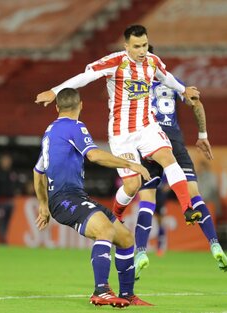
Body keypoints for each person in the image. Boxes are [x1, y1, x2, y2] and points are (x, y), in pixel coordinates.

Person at [35, 25, 203, 227]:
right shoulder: (114, 62)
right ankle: (117, 215)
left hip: (147, 126)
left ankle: (188, 209)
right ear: (126, 46)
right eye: (137, 46)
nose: (142, 51)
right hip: (121, 133)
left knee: (168, 157)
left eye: (145, 45)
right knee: (133, 185)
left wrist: (183, 90)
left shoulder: (152, 61)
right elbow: (85, 77)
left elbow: (165, 76)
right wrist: (55, 91)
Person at [34, 88, 152, 307]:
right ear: (81, 105)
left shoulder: (50, 132)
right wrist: (130, 164)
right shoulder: (75, 127)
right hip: (66, 198)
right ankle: (101, 291)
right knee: (105, 231)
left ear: (57, 108)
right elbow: (94, 155)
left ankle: (127, 295)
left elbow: (38, 171)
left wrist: (43, 204)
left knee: (125, 238)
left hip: (68, 197)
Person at [133, 46, 227, 279]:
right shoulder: (173, 81)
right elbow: (196, 101)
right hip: (175, 140)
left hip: (150, 140)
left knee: (147, 199)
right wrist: (203, 135)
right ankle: (214, 244)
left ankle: (141, 252)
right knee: (194, 195)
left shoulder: (135, 82)